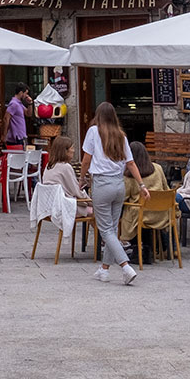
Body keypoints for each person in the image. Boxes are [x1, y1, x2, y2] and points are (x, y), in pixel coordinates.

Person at [81, 103, 140, 284]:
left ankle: (125, 266)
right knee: (112, 229)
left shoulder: (93, 131)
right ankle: (104, 270)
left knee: (105, 229)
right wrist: (142, 184)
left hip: (102, 183)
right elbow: (130, 163)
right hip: (118, 184)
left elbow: (86, 159)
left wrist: (82, 177)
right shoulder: (121, 136)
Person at [121, 140, 170, 256]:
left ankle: (137, 247)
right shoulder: (158, 168)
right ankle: (149, 247)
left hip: (141, 214)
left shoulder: (129, 175)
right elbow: (166, 188)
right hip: (161, 213)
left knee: (128, 211)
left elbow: (124, 196)